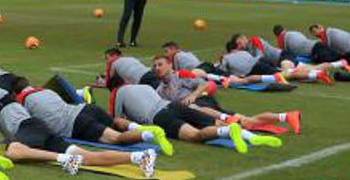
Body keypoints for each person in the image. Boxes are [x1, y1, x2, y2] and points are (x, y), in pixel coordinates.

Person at [0, 88, 158, 177]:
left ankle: (63, 159)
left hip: (30, 128)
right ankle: (139, 157)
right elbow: (3, 134)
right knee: (88, 157)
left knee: (12, 152)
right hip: (34, 133)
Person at [110, 83, 282, 153]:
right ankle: (254, 137)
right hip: (175, 105)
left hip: (160, 116)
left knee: (194, 135)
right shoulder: (145, 86)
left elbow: (118, 121)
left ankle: (228, 131)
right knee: (216, 121)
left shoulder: (119, 94)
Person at [150, 55, 301, 133]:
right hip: (195, 111)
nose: (157, 68)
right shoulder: (159, 90)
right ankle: (286, 116)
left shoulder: (181, 75)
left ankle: (227, 119)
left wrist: (193, 96)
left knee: (196, 108)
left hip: (203, 103)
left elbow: (204, 84)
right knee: (246, 121)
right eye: (154, 65)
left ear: (170, 65)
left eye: (160, 64)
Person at [14, 82, 173, 153]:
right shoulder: (45, 90)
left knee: (117, 138)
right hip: (87, 108)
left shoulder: (22, 101)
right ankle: (139, 128)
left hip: (77, 123)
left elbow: (22, 122)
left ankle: (150, 134)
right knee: (117, 122)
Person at [222, 34, 328, 84]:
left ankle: (316, 74)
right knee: (298, 71)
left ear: (243, 38)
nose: (240, 46)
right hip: (277, 62)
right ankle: (329, 67)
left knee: (287, 73)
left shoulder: (254, 40)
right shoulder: (245, 50)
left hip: (283, 57)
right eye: (238, 45)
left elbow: (261, 56)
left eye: (240, 43)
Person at [274, 25, 348, 67]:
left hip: (315, 50)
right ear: (284, 29)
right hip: (317, 45)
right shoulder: (295, 32)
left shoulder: (281, 38)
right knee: (337, 56)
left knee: (331, 60)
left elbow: (283, 53)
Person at [161, 41, 227, 80]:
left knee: (194, 74)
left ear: (173, 49)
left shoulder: (176, 56)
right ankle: (225, 79)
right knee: (228, 77)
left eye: (166, 51)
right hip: (206, 66)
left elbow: (176, 73)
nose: (165, 54)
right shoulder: (185, 52)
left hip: (201, 69)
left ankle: (221, 79)